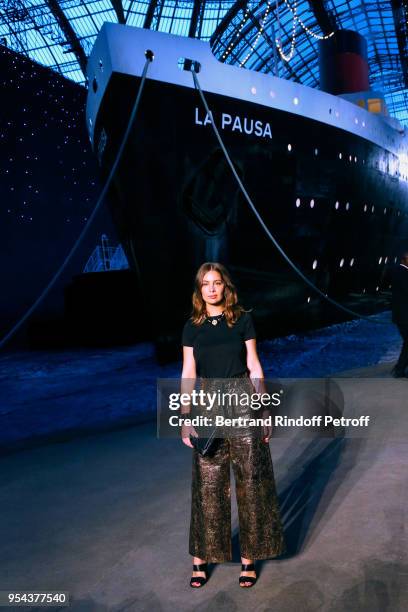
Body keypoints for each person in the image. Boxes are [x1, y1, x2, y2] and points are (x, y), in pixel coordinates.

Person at [181, 262, 285, 588]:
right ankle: (201, 559)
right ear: (200, 290)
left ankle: (248, 559)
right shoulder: (192, 327)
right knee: (207, 482)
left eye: (217, 283)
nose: (211, 288)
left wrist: (265, 409)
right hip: (209, 400)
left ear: (226, 286)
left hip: (242, 400)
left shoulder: (242, 320)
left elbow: (254, 365)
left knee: (251, 479)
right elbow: (188, 373)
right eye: (205, 284)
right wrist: (185, 419)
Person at [391, 251, 408, 377]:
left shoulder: (401, 272)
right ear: (405, 259)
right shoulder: (401, 272)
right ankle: (399, 369)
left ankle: (400, 368)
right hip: (403, 315)